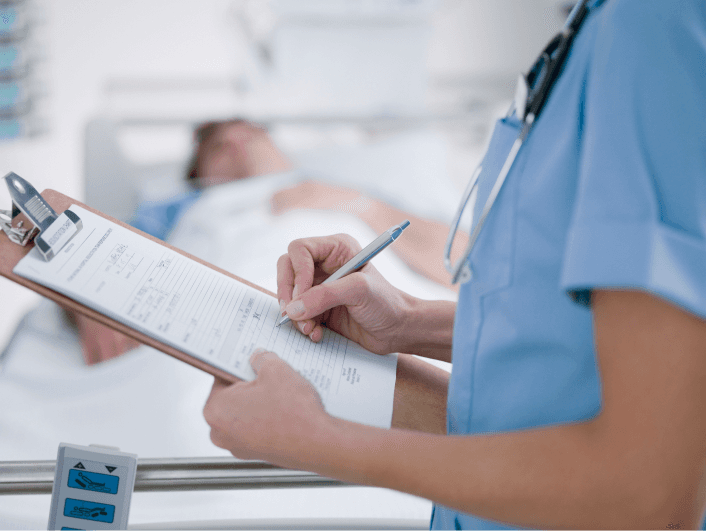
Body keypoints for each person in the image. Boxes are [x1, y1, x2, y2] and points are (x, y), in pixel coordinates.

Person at [202, 1, 706, 529]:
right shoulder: (598, 34)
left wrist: (321, 441)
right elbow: (576, 349)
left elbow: (649, 492)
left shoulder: (652, 28)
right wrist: (411, 321)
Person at [73, 119, 465, 365]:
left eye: (252, 135)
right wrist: (87, 299)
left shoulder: (347, 192)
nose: (240, 146)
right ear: (200, 173)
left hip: (377, 320)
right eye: (220, 148)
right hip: (214, 320)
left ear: (281, 149)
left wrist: (360, 205)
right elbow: (99, 249)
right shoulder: (186, 206)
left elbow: (465, 263)